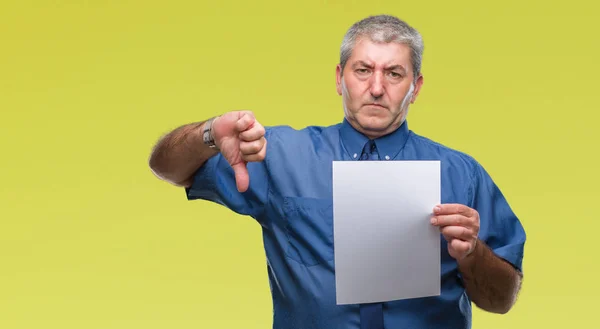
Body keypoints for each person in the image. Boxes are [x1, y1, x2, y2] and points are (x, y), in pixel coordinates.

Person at [148, 14, 526, 329]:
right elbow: (166, 168)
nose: (376, 87)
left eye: (394, 74)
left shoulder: (462, 174)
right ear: (338, 78)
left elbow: (502, 300)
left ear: (416, 87)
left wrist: (472, 252)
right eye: (363, 70)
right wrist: (210, 133)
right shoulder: (275, 156)